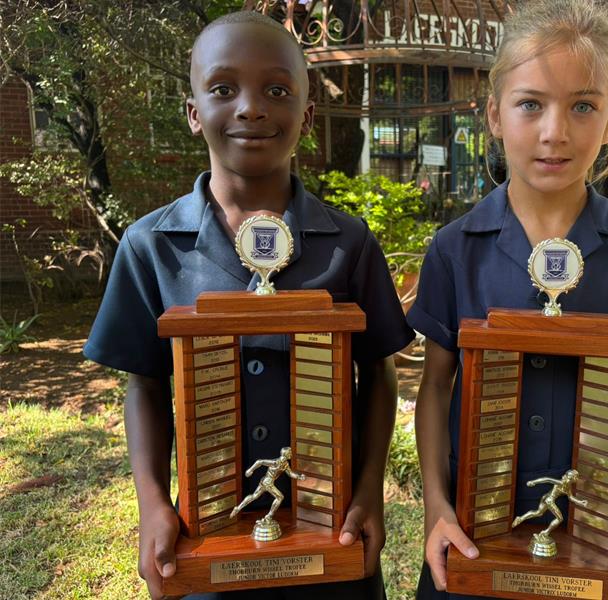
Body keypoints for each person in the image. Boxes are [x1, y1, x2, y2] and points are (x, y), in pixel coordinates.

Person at [83, 10, 413, 600]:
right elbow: (146, 387)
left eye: (277, 90)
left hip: (329, 542)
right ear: (193, 113)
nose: (251, 108)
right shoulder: (150, 246)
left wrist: (368, 495)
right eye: (223, 89)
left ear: (306, 117)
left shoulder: (351, 243)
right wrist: (154, 506)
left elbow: (379, 373)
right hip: (207, 542)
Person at [407, 1, 608, 599]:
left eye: (583, 105)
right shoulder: (455, 251)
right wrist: (437, 507)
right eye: (530, 103)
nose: (555, 131)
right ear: (494, 114)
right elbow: (434, 388)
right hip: (471, 549)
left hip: (592, 550)